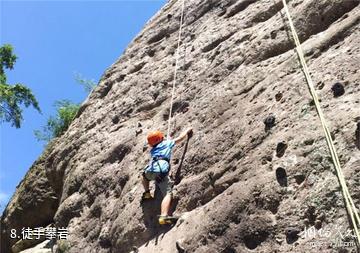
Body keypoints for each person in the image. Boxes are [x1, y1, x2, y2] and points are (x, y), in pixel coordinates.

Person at [141, 127, 193, 225]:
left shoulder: (153, 150)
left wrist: (163, 139)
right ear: (160, 138)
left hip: (150, 170)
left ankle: (147, 193)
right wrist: (187, 130)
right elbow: (180, 138)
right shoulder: (167, 143)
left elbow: (157, 143)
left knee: (144, 176)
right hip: (160, 172)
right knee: (168, 193)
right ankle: (163, 217)